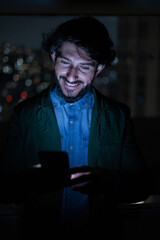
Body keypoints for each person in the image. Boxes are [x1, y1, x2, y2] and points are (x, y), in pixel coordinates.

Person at [0, 17, 149, 239]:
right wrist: (27, 180)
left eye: (84, 66)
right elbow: (5, 187)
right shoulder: (26, 114)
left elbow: (140, 187)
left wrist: (111, 181)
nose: (71, 76)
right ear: (53, 56)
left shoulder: (118, 116)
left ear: (99, 68)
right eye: (66, 62)